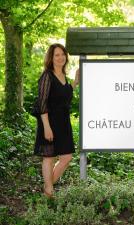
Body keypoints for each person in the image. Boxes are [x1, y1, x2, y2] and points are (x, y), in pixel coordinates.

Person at [33, 43, 79, 198]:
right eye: (56, 55)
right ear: (51, 59)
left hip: (63, 123)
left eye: (62, 54)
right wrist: (46, 126)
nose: (60, 57)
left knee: (66, 157)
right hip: (49, 122)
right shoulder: (47, 75)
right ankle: (49, 191)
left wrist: (75, 82)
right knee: (49, 157)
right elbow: (42, 103)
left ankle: (47, 188)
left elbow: (64, 97)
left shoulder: (64, 77)